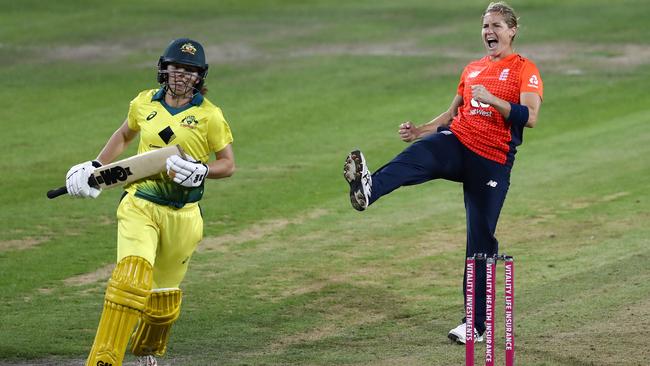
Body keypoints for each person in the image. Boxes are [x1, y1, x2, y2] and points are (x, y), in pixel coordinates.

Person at [343, 2, 542, 344]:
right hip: (459, 141)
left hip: (491, 160)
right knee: (419, 154)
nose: (489, 32)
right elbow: (452, 115)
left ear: (512, 31)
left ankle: (475, 326)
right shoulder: (473, 69)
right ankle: (369, 189)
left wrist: (492, 99)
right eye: (485, 26)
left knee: (480, 240)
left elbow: (531, 116)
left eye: (496, 26)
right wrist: (421, 130)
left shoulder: (524, 69)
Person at [64, 38, 235, 366]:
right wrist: (97, 167)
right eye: (176, 68)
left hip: (184, 216)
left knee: (161, 305)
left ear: (200, 77)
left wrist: (202, 170)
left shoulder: (210, 116)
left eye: (189, 71)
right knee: (130, 279)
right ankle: (104, 359)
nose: (181, 76)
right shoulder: (144, 103)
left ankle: (146, 353)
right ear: (164, 69)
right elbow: (125, 134)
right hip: (140, 202)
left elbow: (227, 164)